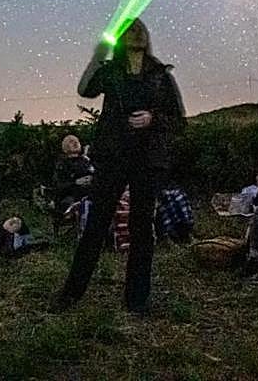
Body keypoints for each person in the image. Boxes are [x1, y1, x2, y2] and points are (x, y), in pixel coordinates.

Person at [50, 18, 185, 314]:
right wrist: (98, 55)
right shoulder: (111, 71)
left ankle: (137, 301)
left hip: (148, 160)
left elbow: (178, 120)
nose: (136, 31)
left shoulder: (161, 75)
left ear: (147, 36)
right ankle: (70, 295)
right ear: (121, 39)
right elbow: (85, 90)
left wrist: (153, 119)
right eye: (129, 29)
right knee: (96, 224)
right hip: (113, 156)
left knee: (142, 228)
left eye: (140, 28)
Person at [50, 134, 94, 226]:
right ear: (65, 147)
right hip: (71, 197)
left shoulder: (86, 161)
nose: (75, 143)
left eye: (77, 141)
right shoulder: (62, 164)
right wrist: (76, 182)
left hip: (89, 193)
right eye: (71, 141)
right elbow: (58, 186)